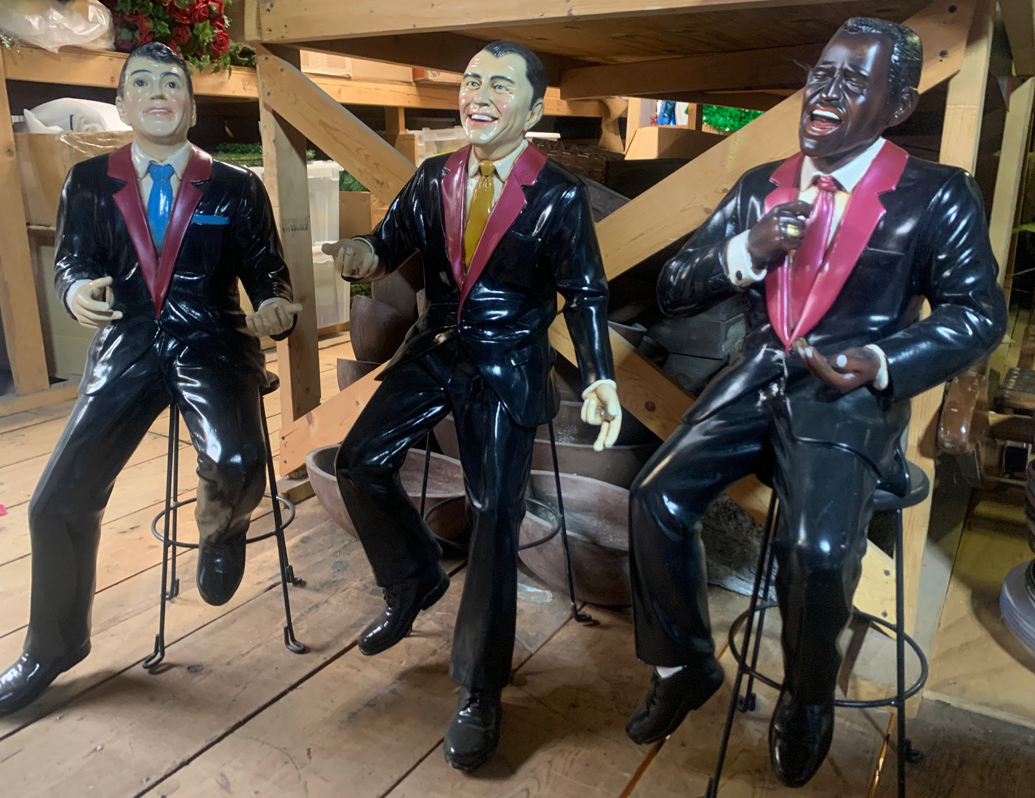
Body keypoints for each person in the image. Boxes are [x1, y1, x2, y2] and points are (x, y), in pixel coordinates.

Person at [625, 17, 1006, 787]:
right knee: (653, 497)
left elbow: (978, 315)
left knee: (820, 552)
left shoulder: (936, 194)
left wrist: (883, 362)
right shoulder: (760, 186)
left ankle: (807, 697)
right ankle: (682, 664)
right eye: (821, 73)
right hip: (759, 373)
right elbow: (673, 287)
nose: (826, 92)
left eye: (853, 81)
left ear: (897, 106)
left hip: (850, 395)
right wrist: (748, 249)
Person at [0, 42, 301, 720]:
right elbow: (70, 261)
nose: (158, 93)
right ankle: (53, 647)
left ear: (191, 105)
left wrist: (274, 301)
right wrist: (74, 292)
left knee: (238, 460)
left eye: (172, 83)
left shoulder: (236, 187)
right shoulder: (89, 182)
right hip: (125, 344)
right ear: (123, 105)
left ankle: (222, 528)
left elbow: (267, 270)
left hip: (211, 341)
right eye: (143, 83)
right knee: (55, 502)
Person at [324, 41, 622, 771]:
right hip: (435, 348)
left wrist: (599, 376)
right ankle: (414, 577)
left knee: (494, 515)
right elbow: (389, 241)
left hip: (507, 362)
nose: (479, 95)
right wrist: (363, 252)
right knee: (359, 461)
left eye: (499, 85)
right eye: (471, 81)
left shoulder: (557, 195)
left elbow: (585, 293)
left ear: (535, 108)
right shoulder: (435, 177)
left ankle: (480, 685)